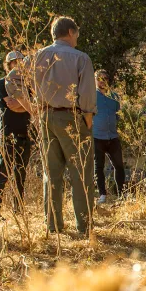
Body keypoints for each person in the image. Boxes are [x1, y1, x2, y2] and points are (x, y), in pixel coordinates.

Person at [33, 16, 96, 235]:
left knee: (52, 172)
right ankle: (84, 226)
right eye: (76, 34)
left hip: (45, 116)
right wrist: (87, 119)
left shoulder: (38, 56)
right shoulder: (81, 58)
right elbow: (87, 94)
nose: (77, 38)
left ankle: (53, 226)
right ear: (70, 32)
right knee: (81, 173)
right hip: (72, 117)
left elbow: (28, 84)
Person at [0, 50, 32, 221]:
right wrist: (26, 104)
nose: (19, 64)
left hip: (26, 133)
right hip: (8, 134)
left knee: (21, 173)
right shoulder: (2, 83)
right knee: (3, 172)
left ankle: (18, 210)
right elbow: (12, 105)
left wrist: (24, 104)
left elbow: (33, 106)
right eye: (14, 62)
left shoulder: (29, 84)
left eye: (21, 61)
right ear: (8, 65)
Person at [92, 69, 126, 205]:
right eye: (99, 78)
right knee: (98, 166)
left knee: (119, 165)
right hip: (97, 136)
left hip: (112, 136)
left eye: (105, 78)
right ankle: (102, 194)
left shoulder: (114, 97)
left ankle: (121, 194)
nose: (102, 81)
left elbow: (117, 115)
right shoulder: (91, 96)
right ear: (95, 80)